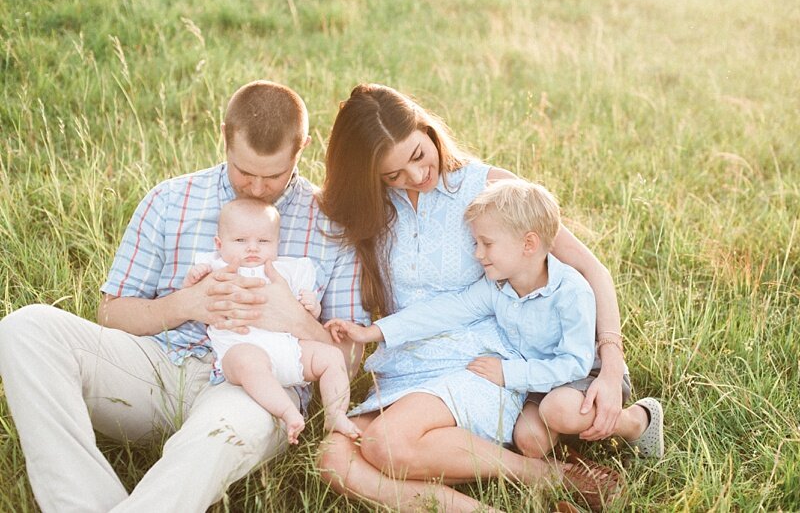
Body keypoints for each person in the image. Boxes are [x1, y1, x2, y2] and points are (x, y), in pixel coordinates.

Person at [0, 80, 369, 512]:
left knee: (214, 439)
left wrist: (295, 319)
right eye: (243, 171)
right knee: (26, 329)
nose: (255, 187)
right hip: (159, 368)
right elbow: (112, 312)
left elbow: (349, 361)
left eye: (273, 176)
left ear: (303, 147)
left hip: (260, 386)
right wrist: (186, 304)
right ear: (224, 135)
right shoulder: (169, 200)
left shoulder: (332, 226)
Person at [316, 83, 641, 511]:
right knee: (333, 460)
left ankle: (550, 476)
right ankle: (522, 491)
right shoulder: (375, 208)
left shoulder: (489, 187)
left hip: (481, 361)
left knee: (387, 445)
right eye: (391, 174)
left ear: (428, 130)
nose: (415, 177)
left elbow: (590, 269)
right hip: (406, 363)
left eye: (417, 156)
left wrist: (610, 368)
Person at [327, 179, 664, 463]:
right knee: (529, 441)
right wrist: (374, 331)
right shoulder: (497, 287)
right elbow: (447, 310)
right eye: (476, 243)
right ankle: (575, 440)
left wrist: (508, 374)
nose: (477, 254)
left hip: (580, 375)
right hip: (537, 382)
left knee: (559, 408)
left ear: (528, 244)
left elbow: (573, 364)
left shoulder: (571, 291)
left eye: (486, 243)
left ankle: (636, 420)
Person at [182, 198, 362, 444]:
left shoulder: (288, 269)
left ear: (277, 243)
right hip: (240, 350)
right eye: (241, 241)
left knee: (332, 357)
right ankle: (288, 412)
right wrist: (193, 278)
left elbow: (306, 312)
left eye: (263, 241)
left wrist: (313, 305)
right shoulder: (215, 266)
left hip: (289, 351)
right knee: (248, 361)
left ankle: (335, 413)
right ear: (219, 244)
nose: (252, 248)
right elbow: (191, 297)